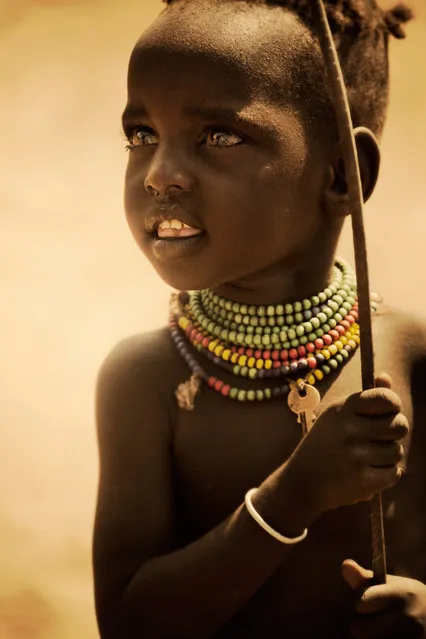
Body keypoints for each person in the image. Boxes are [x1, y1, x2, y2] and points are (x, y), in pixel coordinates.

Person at [92, 1, 426, 637]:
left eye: (220, 137)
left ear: (343, 175)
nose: (160, 175)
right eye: (141, 136)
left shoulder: (406, 356)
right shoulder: (145, 378)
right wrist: (293, 495)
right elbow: (128, 624)